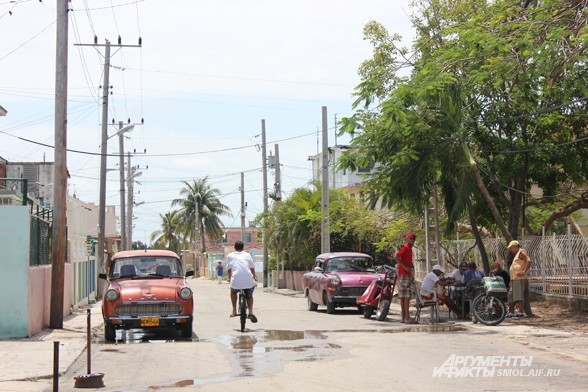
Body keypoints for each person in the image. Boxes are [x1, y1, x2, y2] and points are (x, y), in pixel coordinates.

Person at [226, 241, 258, 323]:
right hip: (248, 280)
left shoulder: (230, 255)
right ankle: (250, 311)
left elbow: (229, 269)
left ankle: (234, 310)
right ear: (243, 248)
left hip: (236, 280)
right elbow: (252, 268)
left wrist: (229, 278)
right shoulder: (247, 255)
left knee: (233, 292)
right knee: (249, 295)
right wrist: (254, 276)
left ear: (234, 248)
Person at [507, 240, 532, 318]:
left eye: (511, 248)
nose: (510, 250)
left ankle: (520, 312)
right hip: (514, 278)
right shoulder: (517, 254)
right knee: (510, 295)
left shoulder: (521, 252)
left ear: (515, 247)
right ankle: (511, 312)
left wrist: (524, 271)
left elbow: (529, 260)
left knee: (519, 296)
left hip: (519, 278)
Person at [395, 232, 416, 324]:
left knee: (404, 297)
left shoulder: (409, 249)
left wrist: (410, 270)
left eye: (413, 239)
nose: (412, 240)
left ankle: (404, 317)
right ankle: (406, 317)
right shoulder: (406, 247)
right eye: (410, 238)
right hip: (404, 274)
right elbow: (396, 257)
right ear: (407, 239)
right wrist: (405, 267)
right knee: (406, 297)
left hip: (405, 274)